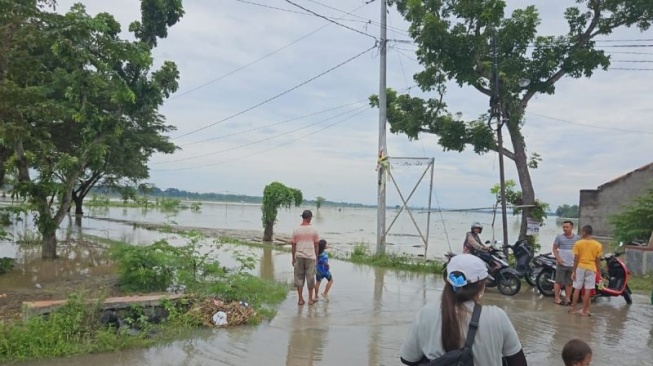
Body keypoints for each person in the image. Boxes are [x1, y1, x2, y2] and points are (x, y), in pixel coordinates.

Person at [400, 254, 528, 366]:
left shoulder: (425, 314)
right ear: (481, 288)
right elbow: (518, 362)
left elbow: (408, 359)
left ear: (447, 283)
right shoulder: (498, 317)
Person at [569, 225, 603, 316]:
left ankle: (573, 309)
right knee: (588, 289)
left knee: (577, 288)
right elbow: (598, 261)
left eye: (582, 232)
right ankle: (584, 311)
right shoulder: (598, 245)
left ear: (584, 232)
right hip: (591, 268)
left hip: (580, 267)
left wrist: (574, 271)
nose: (581, 234)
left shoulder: (578, 243)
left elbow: (576, 259)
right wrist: (599, 273)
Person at [291, 209, 319, 306]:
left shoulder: (296, 230)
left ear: (302, 217)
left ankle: (300, 299)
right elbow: (316, 245)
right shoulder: (314, 230)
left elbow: (293, 245)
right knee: (310, 278)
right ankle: (310, 299)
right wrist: (317, 257)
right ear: (310, 218)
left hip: (299, 256)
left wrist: (293, 258)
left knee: (299, 278)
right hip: (310, 257)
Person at [552, 221, 580, 305]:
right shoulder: (559, 237)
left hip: (572, 265)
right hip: (561, 264)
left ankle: (567, 298)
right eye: (563, 227)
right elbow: (554, 248)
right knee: (558, 281)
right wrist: (558, 258)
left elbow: (579, 251)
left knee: (569, 283)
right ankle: (557, 298)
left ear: (572, 227)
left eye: (567, 227)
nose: (565, 229)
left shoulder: (577, 238)